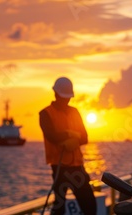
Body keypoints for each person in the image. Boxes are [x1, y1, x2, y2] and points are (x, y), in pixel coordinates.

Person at [39, 77, 97, 215]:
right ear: (56, 94)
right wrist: (69, 134)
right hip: (59, 168)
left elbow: (85, 137)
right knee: (59, 207)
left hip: (77, 167)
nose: (66, 101)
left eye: (68, 98)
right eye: (64, 97)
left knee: (89, 205)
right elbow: (51, 136)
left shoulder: (74, 112)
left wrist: (73, 138)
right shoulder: (45, 114)